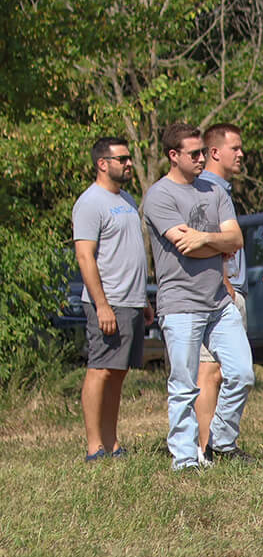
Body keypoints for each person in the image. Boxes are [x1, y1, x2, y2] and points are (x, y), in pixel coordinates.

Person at [143, 121, 250, 471]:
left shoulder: (214, 190)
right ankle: (186, 457)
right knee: (184, 384)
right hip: (181, 303)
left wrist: (205, 239)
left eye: (203, 152)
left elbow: (235, 240)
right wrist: (215, 242)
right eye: (194, 153)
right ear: (173, 156)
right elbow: (183, 246)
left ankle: (220, 438)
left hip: (219, 301)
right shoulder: (159, 195)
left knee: (242, 374)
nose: (202, 158)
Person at [73, 136, 150, 461]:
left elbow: (130, 252)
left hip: (131, 300)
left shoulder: (128, 199)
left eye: (129, 157)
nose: (129, 163)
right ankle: (94, 447)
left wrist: (143, 298)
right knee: (100, 370)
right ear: (102, 163)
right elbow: (84, 257)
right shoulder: (90, 202)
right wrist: (101, 304)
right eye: (122, 159)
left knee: (118, 372)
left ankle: (111, 442)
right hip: (107, 302)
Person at [194, 122, 249, 459]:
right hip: (220, 291)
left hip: (230, 288)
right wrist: (223, 280)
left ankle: (217, 443)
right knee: (210, 371)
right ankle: (206, 446)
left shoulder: (221, 189)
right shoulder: (206, 190)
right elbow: (205, 241)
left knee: (227, 371)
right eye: (235, 148)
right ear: (215, 152)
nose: (241, 154)